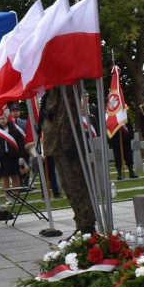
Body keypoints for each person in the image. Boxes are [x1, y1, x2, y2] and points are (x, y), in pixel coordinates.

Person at [40, 87, 96, 235]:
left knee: (76, 185)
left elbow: (67, 115)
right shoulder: (51, 87)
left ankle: (87, 226)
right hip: (56, 145)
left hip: (66, 144)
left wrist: (67, 143)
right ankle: (80, 226)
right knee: (68, 187)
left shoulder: (65, 85)